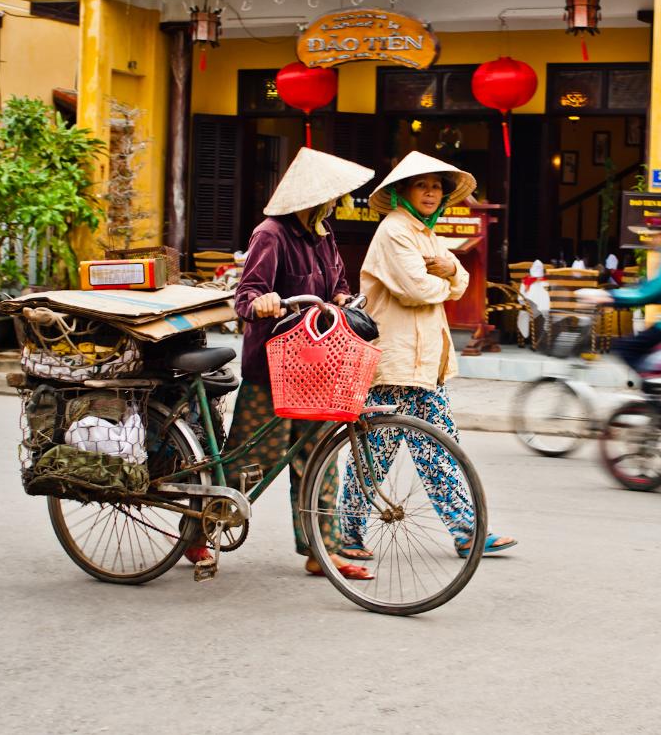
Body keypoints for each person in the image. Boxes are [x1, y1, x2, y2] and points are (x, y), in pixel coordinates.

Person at [193, 147, 375, 580]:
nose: (337, 203)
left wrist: (344, 300)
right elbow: (245, 297)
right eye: (332, 196)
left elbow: (339, 284)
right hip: (273, 367)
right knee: (250, 462)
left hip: (318, 365)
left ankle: (321, 552)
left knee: (318, 459)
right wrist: (264, 302)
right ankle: (196, 534)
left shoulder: (324, 233)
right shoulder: (271, 234)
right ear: (314, 197)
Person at [337, 151, 517, 560]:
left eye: (437, 186)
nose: (432, 193)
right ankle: (345, 531)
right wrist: (444, 280)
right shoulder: (395, 231)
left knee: (441, 448)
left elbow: (460, 280)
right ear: (403, 192)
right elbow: (416, 290)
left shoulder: (427, 233)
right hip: (393, 363)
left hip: (426, 363)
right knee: (375, 454)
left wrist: (449, 274)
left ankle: (467, 532)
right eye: (423, 185)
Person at [583, 211, 661, 375]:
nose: (652, 240)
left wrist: (608, 296)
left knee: (625, 347)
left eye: (656, 235)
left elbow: (648, 294)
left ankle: (652, 392)